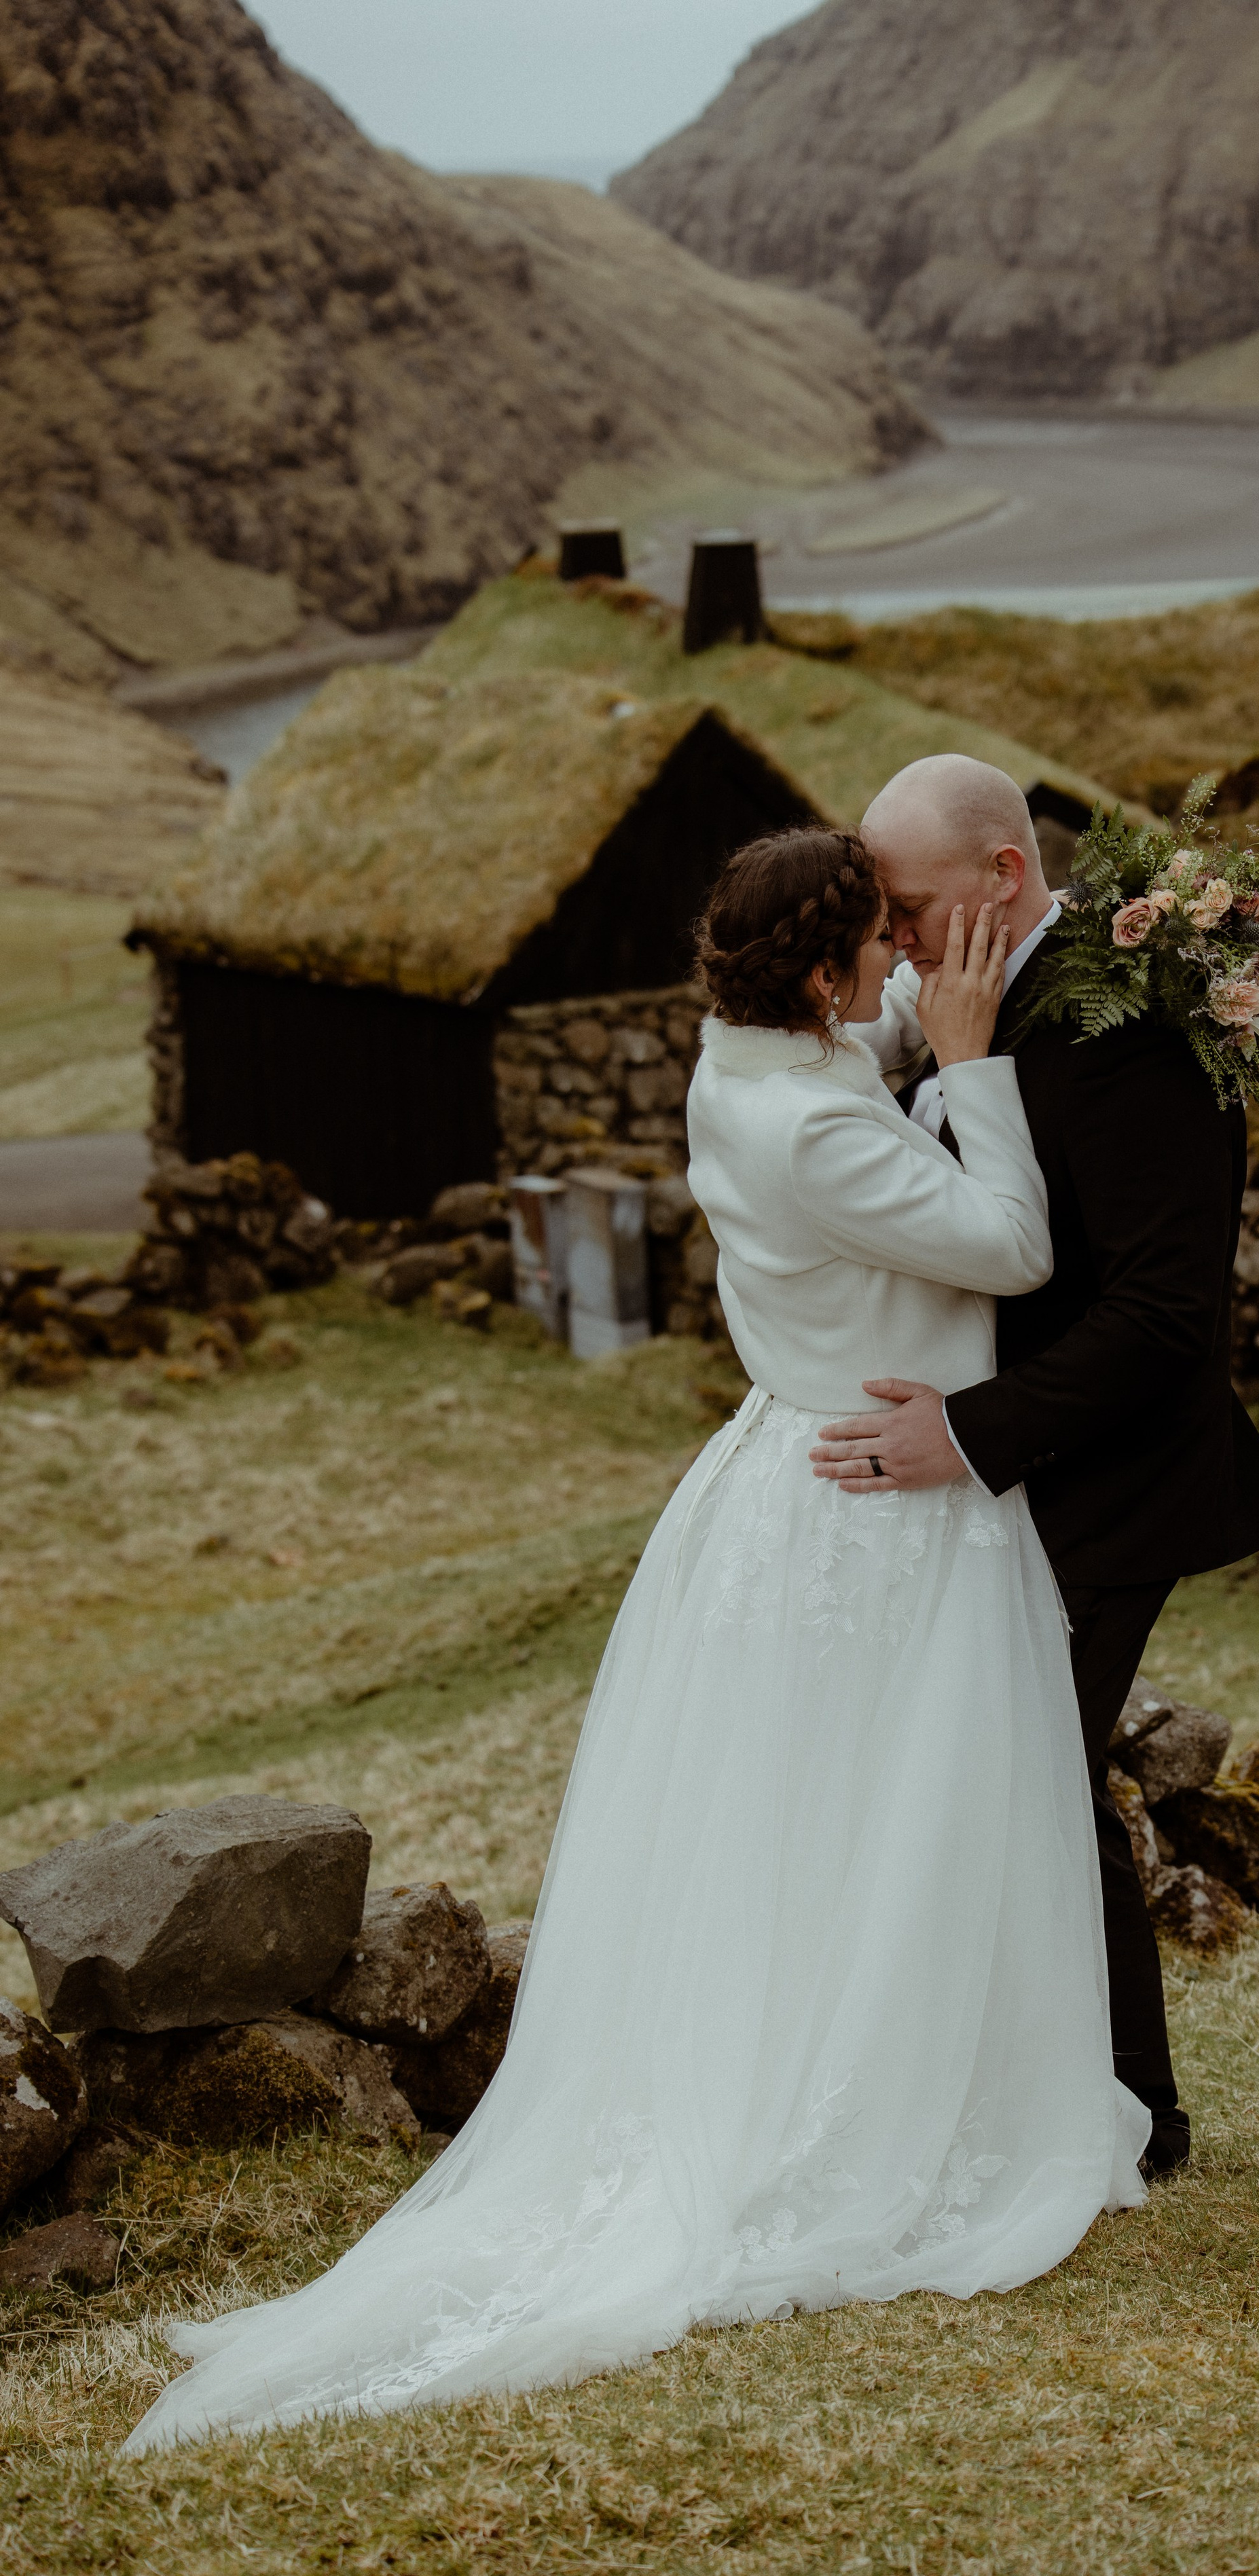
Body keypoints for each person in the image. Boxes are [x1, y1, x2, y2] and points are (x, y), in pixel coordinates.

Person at [124, 824, 1148, 2452]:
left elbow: (862, 1053)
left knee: (813, 1822)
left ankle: (894, 2066)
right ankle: (854, 2122)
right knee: (888, 1812)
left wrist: (927, 1021)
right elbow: (1009, 1243)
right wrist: (974, 1065)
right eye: (878, 943)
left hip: (784, 1484)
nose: (902, 965)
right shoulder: (814, 1123)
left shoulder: (743, 1062)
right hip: (874, 1507)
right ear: (820, 971)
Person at [813, 756, 1259, 2179]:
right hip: (1043, 1466)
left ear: (1001, 877)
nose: (892, 938)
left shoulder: (1117, 1027)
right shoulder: (1005, 992)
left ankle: (1128, 2116)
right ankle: (1110, 2104)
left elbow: (1164, 1312)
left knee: (1026, 1772)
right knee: (1027, 1774)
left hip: (1108, 1474)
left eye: (902, 907)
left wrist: (965, 1432)